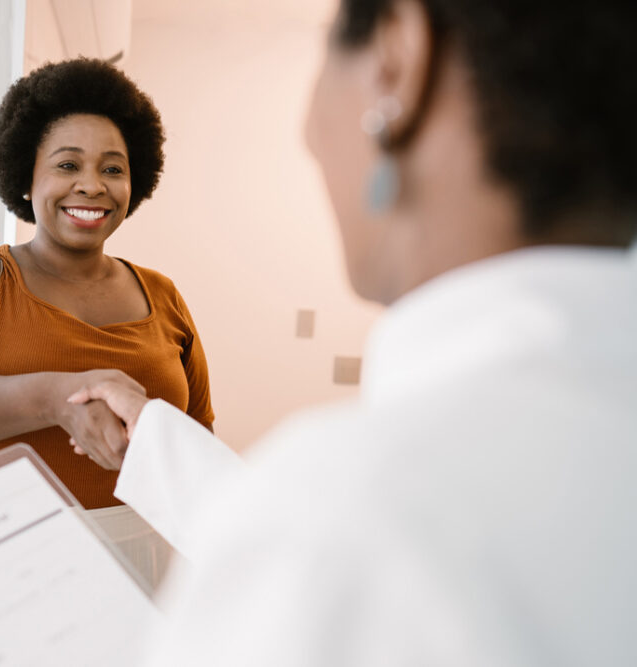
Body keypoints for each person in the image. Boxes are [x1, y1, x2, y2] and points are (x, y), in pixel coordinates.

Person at [67, 0, 637, 663]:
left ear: (397, 62)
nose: (311, 134)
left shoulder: (346, 522)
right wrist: (155, 441)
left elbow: (339, 538)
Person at [0, 58, 214, 511]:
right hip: (8, 562)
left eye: (112, 169)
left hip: (146, 564)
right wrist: (59, 400)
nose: (91, 186)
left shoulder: (163, 296)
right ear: (27, 178)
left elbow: (198, 436)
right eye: (67, 165)